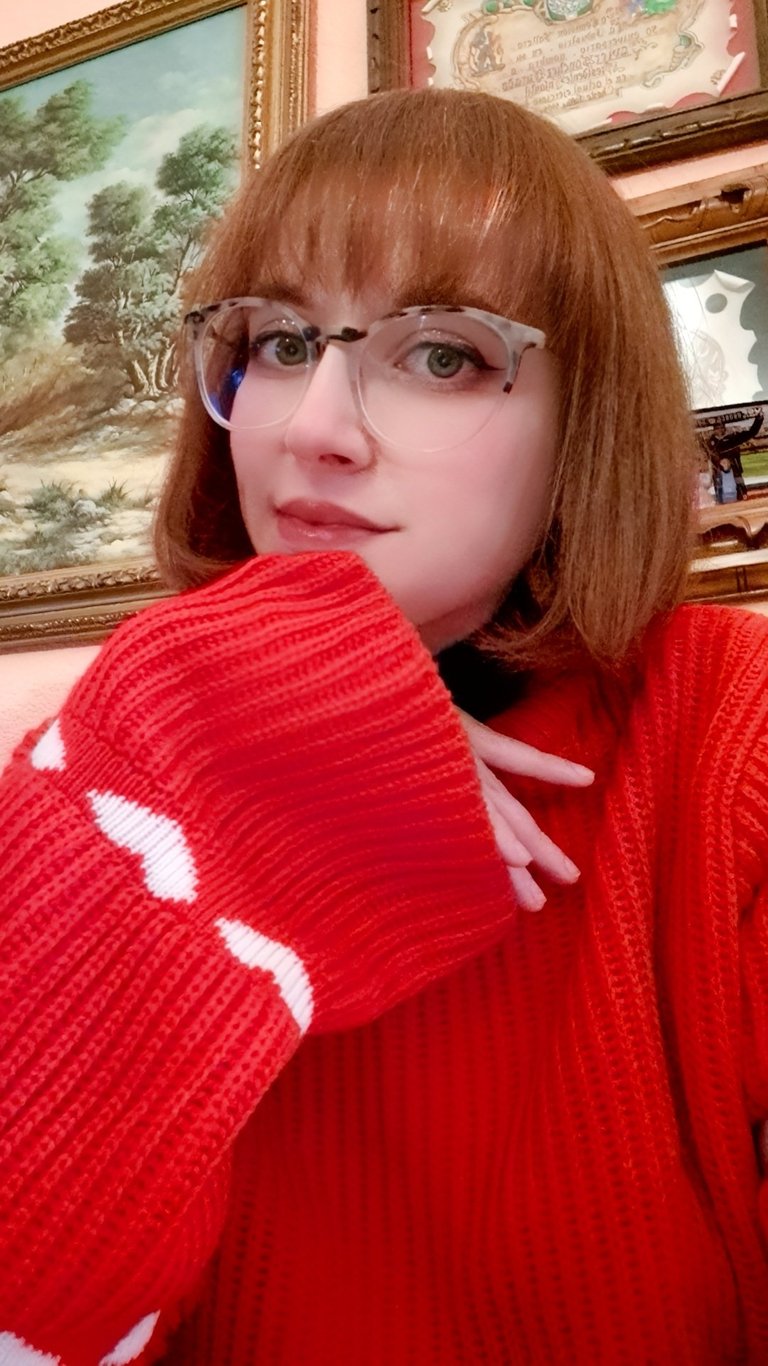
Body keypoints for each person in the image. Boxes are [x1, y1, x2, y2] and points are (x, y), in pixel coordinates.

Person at [1, 87, 767, 1366]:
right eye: (280, 342)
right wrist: (201, 729)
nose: (312, 429)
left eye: (444, 355)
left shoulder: (729, 730)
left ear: (588, 420)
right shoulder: (121, 744)